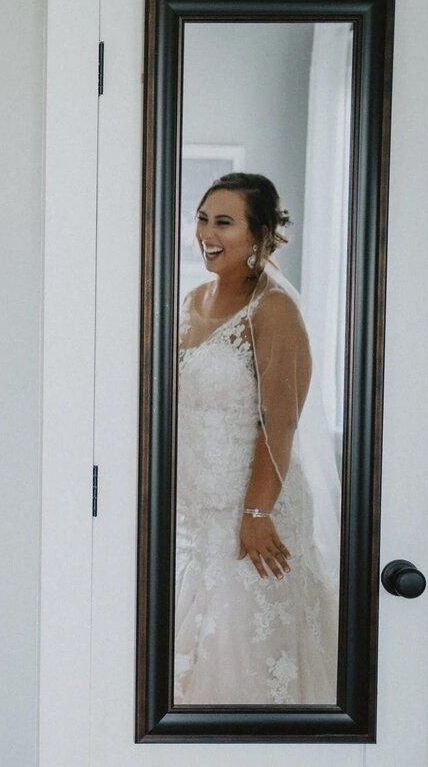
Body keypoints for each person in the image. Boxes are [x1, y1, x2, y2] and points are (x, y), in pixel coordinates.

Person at [174, 172, 339, 705]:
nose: (207, 233)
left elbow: (280, 422)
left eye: (224, 222)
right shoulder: (189, 301)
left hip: (251, 513)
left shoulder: (273, 310)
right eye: (203, 218)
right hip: (191, 516)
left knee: (242, 655)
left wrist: (255, 516)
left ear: (260, 234)